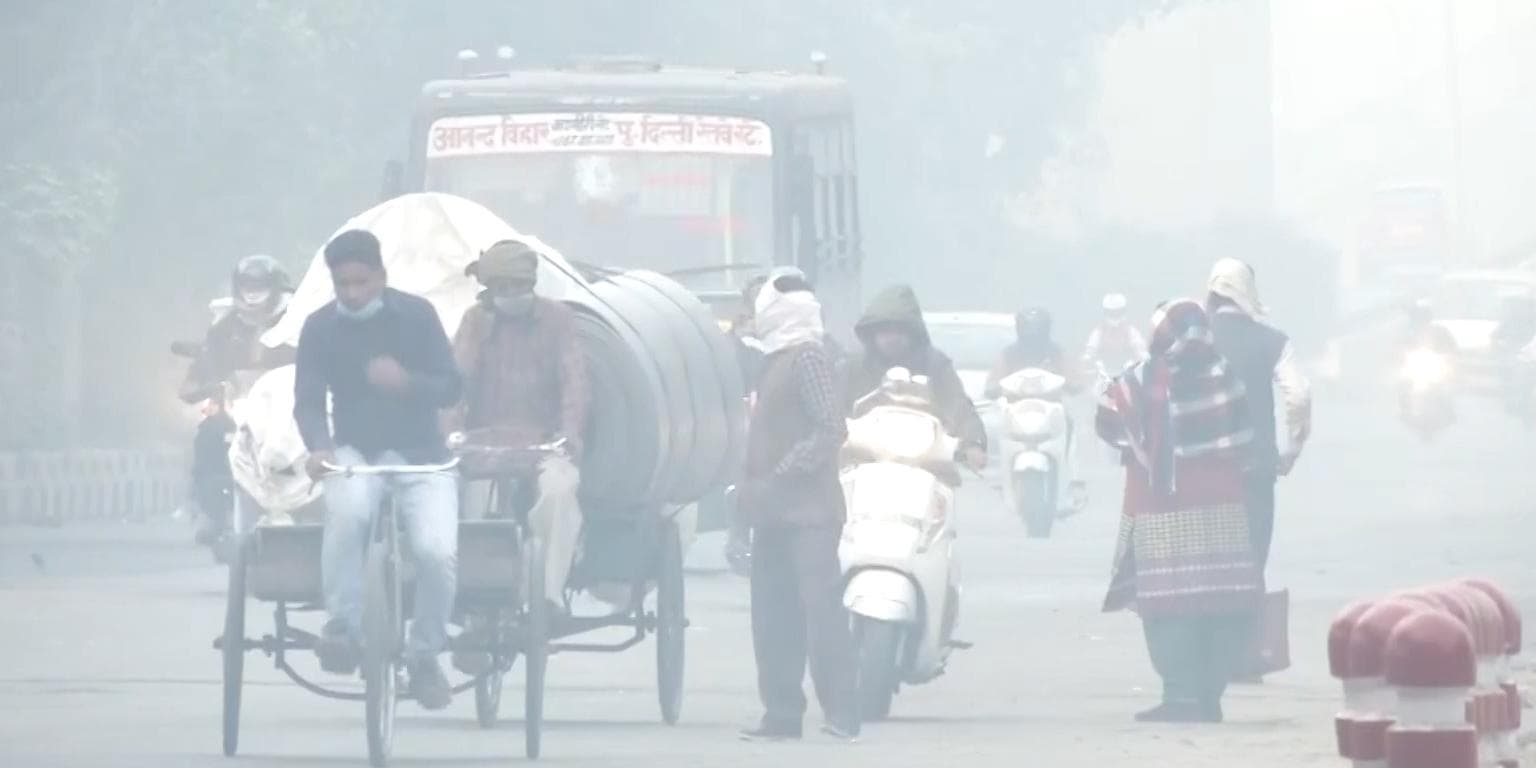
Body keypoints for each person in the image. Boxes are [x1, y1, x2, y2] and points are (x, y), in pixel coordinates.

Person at [293, 229, 464, 710]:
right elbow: (307, 401)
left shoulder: (417, 316)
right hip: (356, 455)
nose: (351, 294)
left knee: (435, 552)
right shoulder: (320, 327)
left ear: (381, 278)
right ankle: (342, 628)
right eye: (342, 284)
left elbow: (451, 387)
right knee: (346, 517)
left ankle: (426, 654)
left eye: (360, 283)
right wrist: (318, 447)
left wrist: (405, 382)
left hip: (422, 456)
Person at [1097, 298, 1262, 724]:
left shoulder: (1139, 380)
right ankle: (1209, 696)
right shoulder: (1226, 376)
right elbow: (1246, 439)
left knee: (1168, 604)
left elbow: (1108, 424)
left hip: (1159, 508)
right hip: (1223, 508)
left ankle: (1181, 694)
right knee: (1220, 603)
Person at [738, 269, 860, 742]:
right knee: (772, 616)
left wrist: (785, 472)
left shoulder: (807, 357)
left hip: (809, 512)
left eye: (758, 306)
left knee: (820, 612)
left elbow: (831, 427)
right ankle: (782, 715)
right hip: (770, 509)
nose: (752, 316)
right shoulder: (772, 361)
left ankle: (842, 714)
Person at [448, 239, 587, 624]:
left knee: (560, 492)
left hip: (544, 441)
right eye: (504, 289)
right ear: (489, 292)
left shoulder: (558, 320)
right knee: (446, 497)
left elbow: (574, 382)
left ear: (532, 285)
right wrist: (451, 432)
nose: (513, 295)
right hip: (480, 445)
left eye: (520, 287)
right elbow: (455, 384)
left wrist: (570, 434)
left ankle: (548, 596)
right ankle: (462, 590)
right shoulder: (475, 322)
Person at [179, 254, 295, 543]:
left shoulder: (297, 322)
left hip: (287, 411)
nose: (253, 292)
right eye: (247, 285)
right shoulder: (226, 328)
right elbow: (203, 366)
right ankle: (211, 509)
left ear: (276, 287)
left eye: (260, 285)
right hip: (238, 405)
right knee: (208, 433)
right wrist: (199, 384)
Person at [1206, 258, 1312, 571]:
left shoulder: (1190, 338)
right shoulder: (1273, 340)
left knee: (1206, 560)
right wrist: (1291, 449)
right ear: (1249, 293)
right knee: (1253, 556)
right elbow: (1299, 394)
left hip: (1200, 469)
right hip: (1256, 466)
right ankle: (1250, 611)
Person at [842, 284, 988, 470]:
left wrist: (972, 443)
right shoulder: (854, 366)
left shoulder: (935, 364)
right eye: (885, 331)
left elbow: (959, 406)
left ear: (913, 332)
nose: (892, 338)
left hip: (927, 461)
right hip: (864, 461)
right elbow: (833, 411)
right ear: (872, 333)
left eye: (899, 330)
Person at [985, 307, 1078, 396]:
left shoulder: (1057, 353)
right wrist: (994, 388)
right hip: (1014, 405)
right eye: (1027, 328)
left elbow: (1072, 377)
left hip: (1051, 406)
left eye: (1037, 328)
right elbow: (994, 380)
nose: (1032, 333)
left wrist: (1072, 386)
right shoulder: (1009, 354)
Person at [1084, 292, 1148, 383]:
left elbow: (1141, 352)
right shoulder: (1098, 332)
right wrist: (1089, 359)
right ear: (1105, 313)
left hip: (1127, 374)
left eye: (1118, 313)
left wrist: (1139, 361)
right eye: (1111, 313)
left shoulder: (1131, 331)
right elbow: (1090, 351)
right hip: (1103, 376)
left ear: (1123, 312)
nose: (1115, 316)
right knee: (1095, 393)